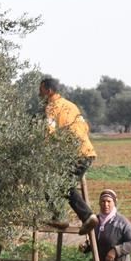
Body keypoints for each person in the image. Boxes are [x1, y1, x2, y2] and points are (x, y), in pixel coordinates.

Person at [39, 77, 98, 234]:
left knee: (54, 182)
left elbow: (49, 132)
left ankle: (69, 217)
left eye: (41, 90)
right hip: (87, 152)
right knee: (65, 185)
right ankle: (72, 216)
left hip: (75, 155)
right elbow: (85, 127)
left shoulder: (51, 108)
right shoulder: (71, 106)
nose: (39, 94)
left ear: (49, 90)